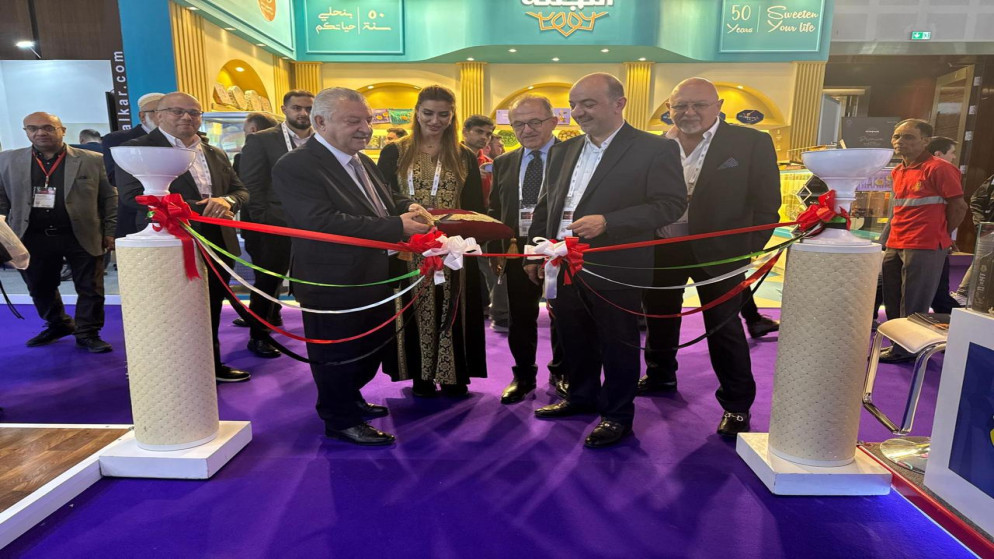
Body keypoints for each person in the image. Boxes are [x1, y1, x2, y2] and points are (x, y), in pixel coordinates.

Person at [525, 73, 686, 448]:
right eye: (574, 104)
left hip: (617, 266)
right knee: (573, 337)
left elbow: (671, 204)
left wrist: (610, 222)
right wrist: (534, 252)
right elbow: (547, 205)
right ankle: (581, 396)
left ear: (619, 103)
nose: (578, 112)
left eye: (588, 103)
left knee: (618, 344)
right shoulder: (563, 150)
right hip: (563, 263)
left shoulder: (654, 149)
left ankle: (617, 415)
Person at [273, 87, 430, 445]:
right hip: (332, 280)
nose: (365, 129)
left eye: (368, 120)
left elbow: (382, 200)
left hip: (372, 275)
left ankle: (351, 399)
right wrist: (397, 226)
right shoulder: (296, 165)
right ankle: (340, 418)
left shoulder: (360, 160)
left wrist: (408, 207)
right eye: (353, 121)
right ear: (320, 122)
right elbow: (320, 221)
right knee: (336, 353)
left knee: (366, 347)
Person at [639, 77, 782, 438]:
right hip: (663, 246)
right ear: (669, 109)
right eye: (680, 106)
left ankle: (736, 405)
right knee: (659, 316)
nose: (689, 113)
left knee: (724, 326)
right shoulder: (655, 146)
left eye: (699, 105)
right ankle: (660, 374)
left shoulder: (750, 142)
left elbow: (768, 204)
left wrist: (748, 249)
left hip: (720, 253)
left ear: (718, 106)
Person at [116, 92, 252, 382]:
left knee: (210, 306)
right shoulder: (138, 149)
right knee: (169, 309)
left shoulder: (213, 152)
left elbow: (240, 190)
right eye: (177, 111)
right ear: (158, 115)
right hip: (168, 240)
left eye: (194, 112)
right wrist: (199, 208)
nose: (187, 117)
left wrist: (226, 201)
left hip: (217, 240)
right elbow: (133, 196)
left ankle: (209, 365)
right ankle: (169, 372)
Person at [378, 85, 489, 397]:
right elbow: (382, 194)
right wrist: (405, 211)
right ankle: (421, 375)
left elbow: (474, 206)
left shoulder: (464, 155)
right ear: (417, 112)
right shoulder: (395, 151)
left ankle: (453, 375)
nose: (435, 120)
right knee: (412, 308)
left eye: (443, 114)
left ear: (453, 116)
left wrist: (470, 239)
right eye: (428, 113)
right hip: (408, 247)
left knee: (452, 306)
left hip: (452, 248)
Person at [0, 112, 117, 352]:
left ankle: (88, 333)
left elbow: (109, 197)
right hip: (31, 234)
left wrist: (111, 230)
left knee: (90, 287)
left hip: (82, 232)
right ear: (26, 132)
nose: (40, 133)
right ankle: (58, 323)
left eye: (48, 127)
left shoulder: (93, 160)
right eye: (32, 128)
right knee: (39, 286)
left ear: (62, 130)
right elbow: (1, 198)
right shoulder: (8, 160)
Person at [488, 94, 567, 404]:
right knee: (520, 316)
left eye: (535, 122)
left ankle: (562, 372)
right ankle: (523, 375)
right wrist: (497, 249)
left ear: (553, 121)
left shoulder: (572, 156)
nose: (527, 130)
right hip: (518, 248)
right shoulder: (504, 162)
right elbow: (496, 209)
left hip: (561, 247)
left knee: (564, 314)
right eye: (518, 124)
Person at [880, 119, 967, 363]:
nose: (900, 142)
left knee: (914, 300)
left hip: (924, 244)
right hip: (897, 241)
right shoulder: (898, 171)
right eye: (897, 136)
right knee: (892, 296)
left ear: (925, 141)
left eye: (908, 137)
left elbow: (959, 207)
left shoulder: (939, 168)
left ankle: (908, 349)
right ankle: (899, 345)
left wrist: (942, 233)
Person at [236, 89, 314, 358]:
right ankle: (258, 336)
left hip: (316, 224)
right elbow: (251, 185)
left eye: (308, 108)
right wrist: (264, 221)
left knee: (315, 281)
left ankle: (312, 330)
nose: (303, 113)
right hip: (275, 225)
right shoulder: (262, 140)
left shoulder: (323, 138)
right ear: (284, 109)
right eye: (297, 108)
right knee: (268, 280)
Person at [102, 92, 164, 238]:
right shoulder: (119, 140)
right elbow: (114, 178)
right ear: (142, 116)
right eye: (157, 112)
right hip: (136, 214)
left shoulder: (181, 140)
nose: (163, 118)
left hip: (178, 215)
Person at [923, 136, 961, 314]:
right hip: (927, 243)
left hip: (932, 241)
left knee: (938, 294)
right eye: (952, 152)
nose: (954, 157)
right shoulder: (943, 170)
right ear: (938, 153)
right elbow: (959, 207)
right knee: (938, 295)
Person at [953, 172, 994, 303]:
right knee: (982, 261)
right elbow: (977, 199)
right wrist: (982, 224)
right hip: (990, 231)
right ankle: (963, 295)